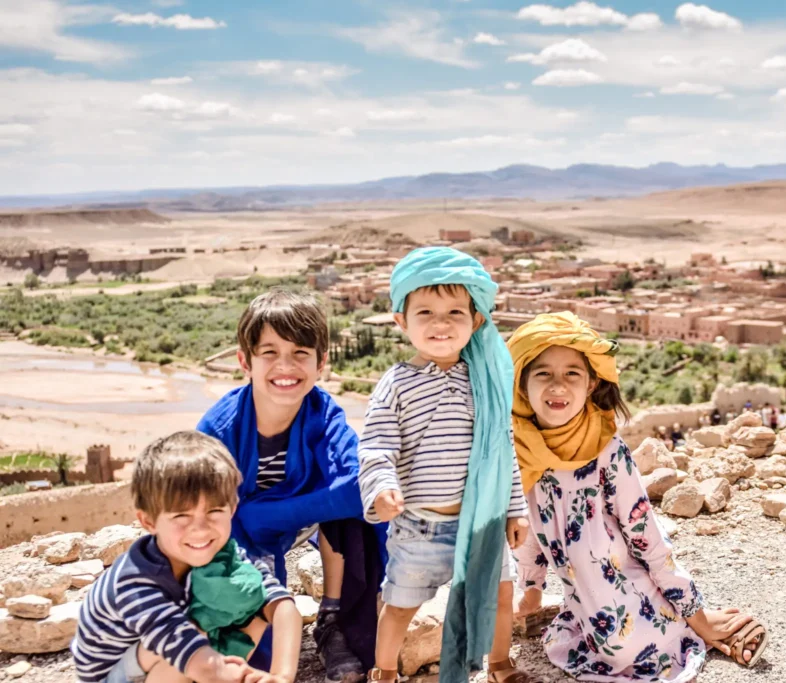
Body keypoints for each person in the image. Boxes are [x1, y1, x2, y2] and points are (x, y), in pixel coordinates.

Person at [509, 313, 769, 681]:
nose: (558, 386)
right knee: (609, 644)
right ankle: (691, 626)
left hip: (629, 581)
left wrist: (695, 613)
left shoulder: (605, 449)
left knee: (631, 649)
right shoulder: (522, 448)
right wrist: (531, 588)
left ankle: (697, 626)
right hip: (586, 599)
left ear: (591, 383)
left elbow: (645, 533)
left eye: (571, 374)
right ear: (522, 385)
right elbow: (529, 523)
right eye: (543, 374)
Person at [357, 247, 536, 683]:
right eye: (426, 312)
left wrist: (515, 508)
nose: (441, 323)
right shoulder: (396, 384)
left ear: (476, 320)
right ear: (401, 321)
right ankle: (383, 671)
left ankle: (498, 664)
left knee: (498, 594)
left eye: (455, 310)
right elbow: (378, 445)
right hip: (421, 526)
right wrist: (381, 487)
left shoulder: (485, 380)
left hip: (483, 522)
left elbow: (502, 447)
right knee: (400, 604)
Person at [198, 289, 385, 683]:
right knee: (252, 655)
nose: (285, 366)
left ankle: (333, 621)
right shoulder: (219, 430)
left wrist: (263, 514)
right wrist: (254, 524)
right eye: (269, 352)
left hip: (268, 517)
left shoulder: (323, 412)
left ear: (322, 363)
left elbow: (358, 487)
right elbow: (208, 517)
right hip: (237, 533)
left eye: (300, 352)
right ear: (244, 362)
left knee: (365, 517)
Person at [72, 431, 302, 683]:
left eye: (214, 511)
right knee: (186, 643)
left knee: (251, 602)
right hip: (116, 674)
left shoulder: (225, 554)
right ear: (148, 521)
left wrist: (281, 676)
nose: (200, 529)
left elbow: (282, 606)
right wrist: (242, 677)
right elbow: (190, 654)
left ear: (232, 508)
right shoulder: (134, 580)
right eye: (181, 516)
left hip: (185, 650)